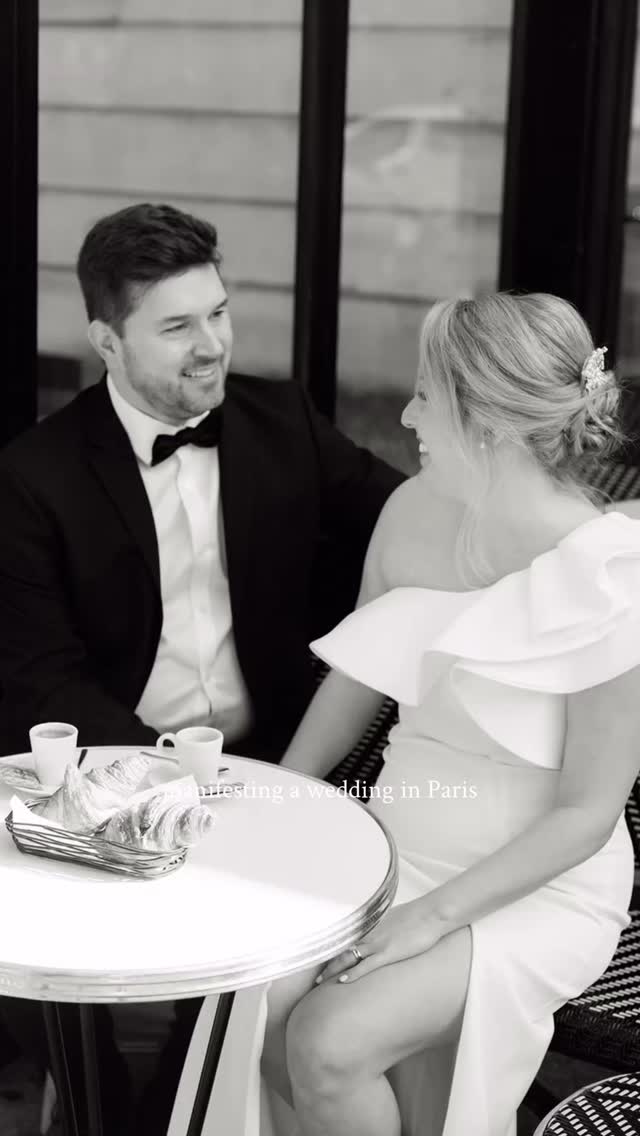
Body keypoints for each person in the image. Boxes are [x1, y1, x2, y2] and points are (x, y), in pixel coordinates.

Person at [192, 291, 640, 1136]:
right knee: (261, 1000)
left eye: (424, 395)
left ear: (485, 421)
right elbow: (358, 676)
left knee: (327, 1042)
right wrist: (278, 796)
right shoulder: (409, 513)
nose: (404, 415)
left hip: (536, 882)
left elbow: (587, 815)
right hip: (393, 841)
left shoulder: (613, 576)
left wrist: (427, 921)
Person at [0, 202, 403, 1134]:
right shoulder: (33, 476)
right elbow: (41, 678)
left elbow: (403, 525)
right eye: (178, 326)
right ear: (107, 339)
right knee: (71, 1001)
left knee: (264, 1010)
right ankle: (100, 1100)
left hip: (289, 770)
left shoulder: (283, 422)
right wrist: (170, 788)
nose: (212, 344)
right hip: (114, 780)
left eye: (219, 312)